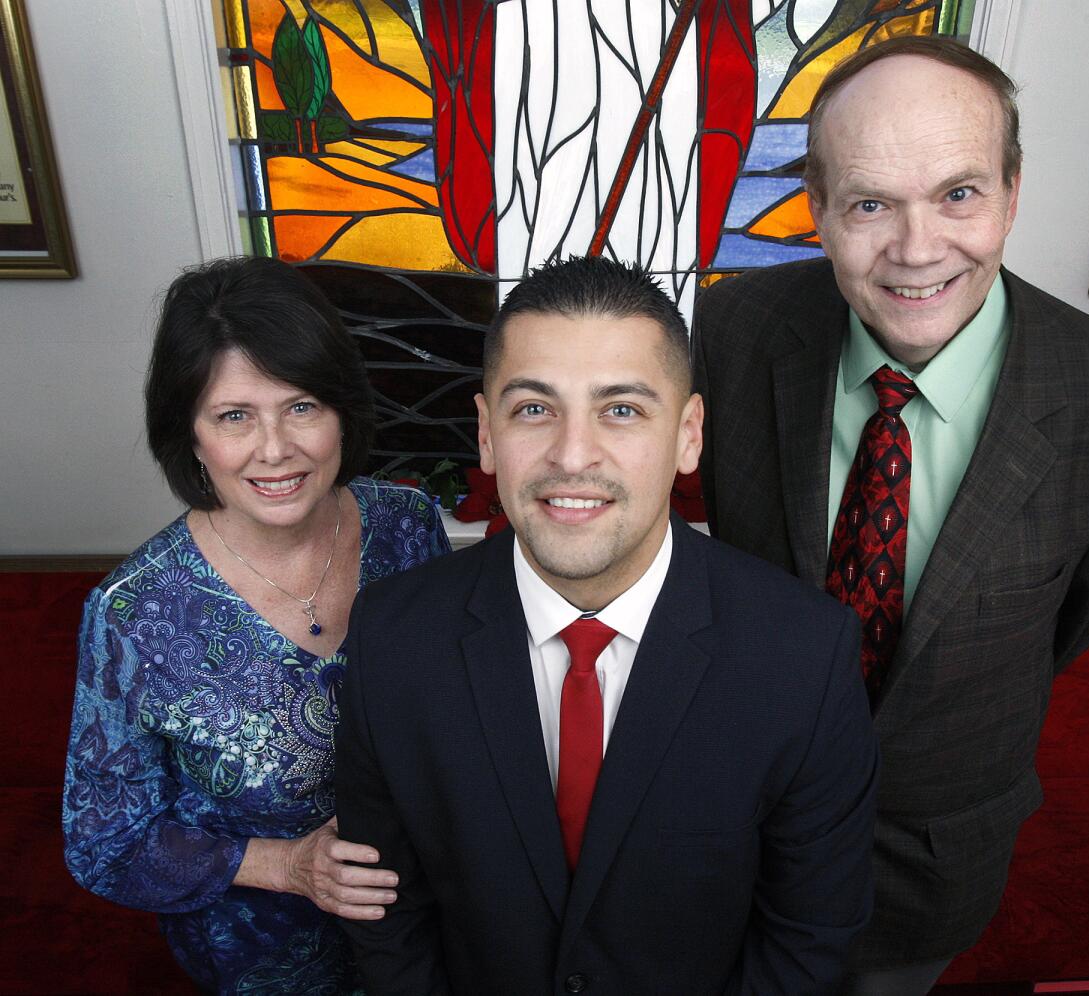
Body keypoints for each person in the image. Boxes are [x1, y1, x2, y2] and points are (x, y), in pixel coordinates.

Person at [691, 35, 1089, 995]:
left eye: (958, 194)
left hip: (926, 869)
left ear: (1011, 193)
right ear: (819, 213)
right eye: (871, 204)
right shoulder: (735, 329)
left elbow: (1066, 629)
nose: (917, 250)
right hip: (719, 821)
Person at [335, 256, 879, 994]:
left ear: (689, 434)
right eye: (533, 408)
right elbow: (385, 906)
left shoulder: (803, 656)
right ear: (487, 435)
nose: (572, 454)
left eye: (621, 409)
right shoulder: (391, 639)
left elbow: (809, 937)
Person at [62, 256, 452, 994]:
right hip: (269, 956)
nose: (275, 448)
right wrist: (284, 866)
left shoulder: (406, 525)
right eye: (235, 415)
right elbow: (104, 843)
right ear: (191, 433)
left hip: (430, 921)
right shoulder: (133, 614)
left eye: (302, 406)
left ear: (344, 410)